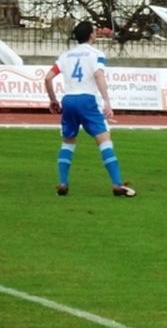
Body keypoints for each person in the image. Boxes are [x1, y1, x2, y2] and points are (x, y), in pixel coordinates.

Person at [43, 20, 135, 197]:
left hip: (68, 100)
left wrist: (53, 100)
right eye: (95, 30)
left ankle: (62, 182)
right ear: (91, 34)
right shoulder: (96, 54)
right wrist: (107, 101)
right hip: (87, 100)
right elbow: (98, 75)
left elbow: (48, 78)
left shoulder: (65, 55)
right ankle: (116, 183)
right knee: (104, 141)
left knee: (68, 142)